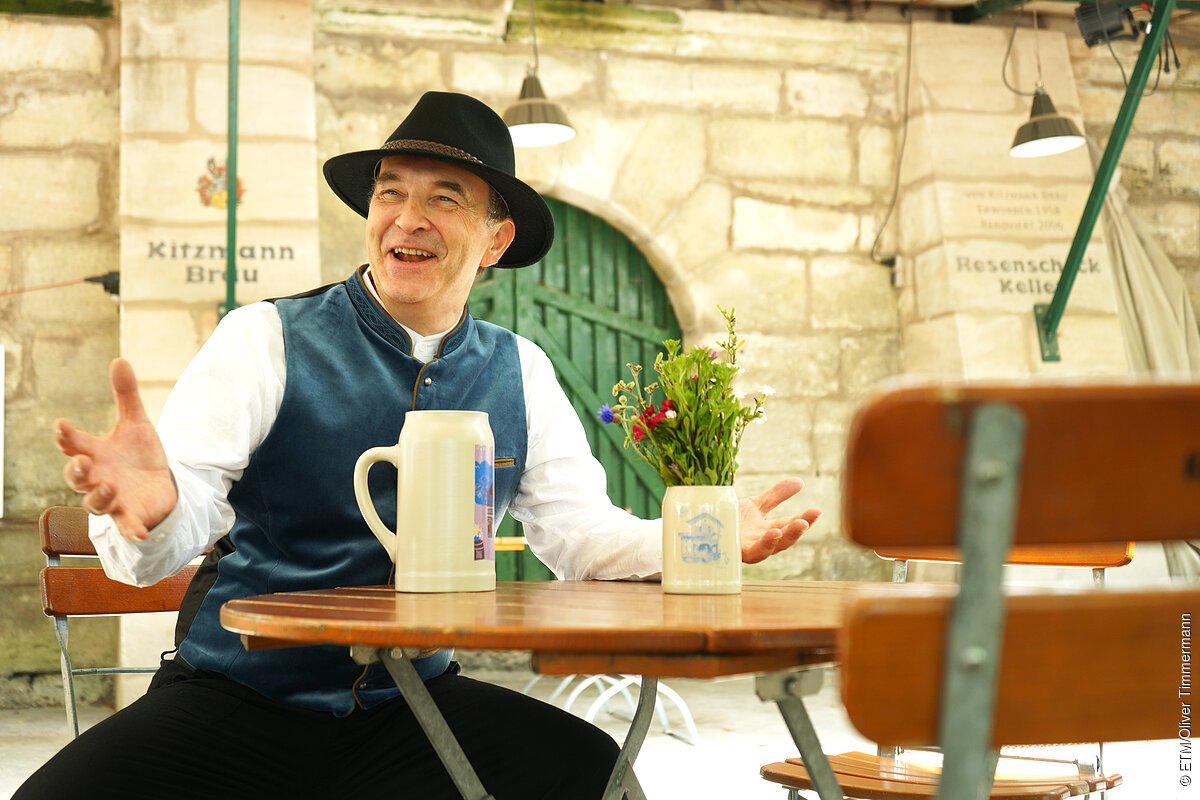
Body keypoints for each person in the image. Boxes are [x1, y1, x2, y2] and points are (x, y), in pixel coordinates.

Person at [17, 91, 821, 800]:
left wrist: (700, 534)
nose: (408, 216)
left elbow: (582, 538)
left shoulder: (522, 370)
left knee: (589, 769)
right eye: (390, 192)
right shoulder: (264, 338)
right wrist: (153, 510)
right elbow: (169, 529)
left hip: (415, 708)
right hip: (240, 699)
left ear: (495, 240)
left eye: (445, 197)